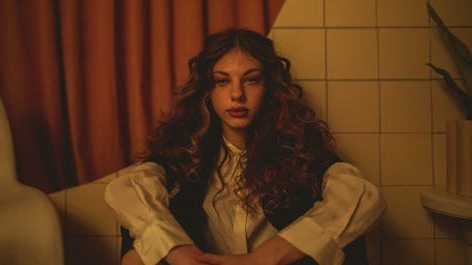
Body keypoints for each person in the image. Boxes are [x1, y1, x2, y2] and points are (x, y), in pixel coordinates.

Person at [105, 28, 386, 265]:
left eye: (251, 80)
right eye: (222, 81)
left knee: (340, 237)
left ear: (270, 87)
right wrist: (178, 252)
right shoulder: (183, 153)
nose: (237, 94)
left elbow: (362, 197)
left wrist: (262, 259)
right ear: (207, 90)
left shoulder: (300, 152)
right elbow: (127, 189)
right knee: (138, 252)